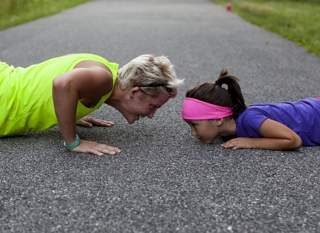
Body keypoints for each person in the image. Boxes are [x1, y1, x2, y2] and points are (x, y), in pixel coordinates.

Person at [0, 53, 183, 155]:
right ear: (135, 92)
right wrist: (73, 142)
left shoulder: (104, 74)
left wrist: (70, 113)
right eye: (153, 106)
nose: (151, 115)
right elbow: (62, 84)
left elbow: (60, 85)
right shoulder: (103, 79)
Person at [181, 69, 320, 151]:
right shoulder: (230, 130)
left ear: (218, 119)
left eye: (195, 125)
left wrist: (250, 142)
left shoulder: (250, 119)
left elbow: (293, 140)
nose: (193, 133)